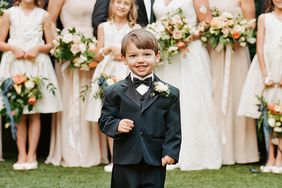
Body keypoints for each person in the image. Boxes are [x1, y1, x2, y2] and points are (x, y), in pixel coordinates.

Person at [99, 28, 181, 188]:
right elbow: (104, 120)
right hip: (124, 160)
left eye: (147, 54)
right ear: (124, 59)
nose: (141, 60)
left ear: (157, 56)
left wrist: (170, 152)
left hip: (155, 159)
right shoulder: (113, 91)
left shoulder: (170, 93)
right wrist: (116, 125)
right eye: (133, 56)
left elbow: (174, 127)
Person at [153, 0, 223, 170]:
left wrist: (187, 36)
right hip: (167, 55)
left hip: (189, 53)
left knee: (192, 101)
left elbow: (207, 21)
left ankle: (193, 153)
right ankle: (164, 151)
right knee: (164, 100)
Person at [0, 0, 62, 170]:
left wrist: (38, 48)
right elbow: (0, 42)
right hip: (15, 64)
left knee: (35, 110)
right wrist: (13, 48)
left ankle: (32, 154)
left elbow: (50, 44)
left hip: (37, 65)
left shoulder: (44, 15)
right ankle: (21, 154)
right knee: (18, 110)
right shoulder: (9, 13)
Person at [45, 0, 104, 167]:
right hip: (68, 49)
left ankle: (93, 151)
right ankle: (71, 150)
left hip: (91, 48)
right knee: (70, 97)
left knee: (89, 96)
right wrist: (60, 46)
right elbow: (50, 21)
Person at [85, 0, 140, 172]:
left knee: (130, 113)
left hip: (126, 72)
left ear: (131, 7)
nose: (122, 6)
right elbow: (96, 56)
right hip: (106, 72)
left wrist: (121, 53)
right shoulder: (103, 27)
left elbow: (138, 52)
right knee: (111, 115)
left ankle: (131, 156)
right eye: (118, 2)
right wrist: (106, 50)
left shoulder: (135, 28)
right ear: (112, 5)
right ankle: (114, 159)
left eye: (126, 3)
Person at [208, 0, 259, 165]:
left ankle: (241, 152)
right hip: (214, 50)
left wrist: (235, 34)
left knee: (236, 95)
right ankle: (216, 150)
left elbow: (251, 23)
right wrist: (218, 32)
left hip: (237, 49)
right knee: (213, 94)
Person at [238, 0, 282, 174]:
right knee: (268, 113)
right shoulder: (264, 18)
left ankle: (280, 158)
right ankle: (270, 157)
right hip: (267, 69)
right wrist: (265, 75)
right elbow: (260, 47)